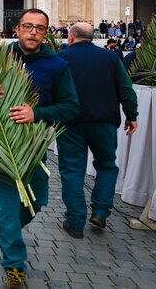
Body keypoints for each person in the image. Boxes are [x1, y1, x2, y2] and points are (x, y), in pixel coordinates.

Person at [0, 9, 80, 289]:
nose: (32, 32)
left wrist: (37, 114)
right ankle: (14, 264)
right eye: (27, 26)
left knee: (36, 200)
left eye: (39, 28)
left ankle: (9, 232)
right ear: (16, 29)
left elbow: (71, 107)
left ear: (47, 33)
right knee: (6, 208)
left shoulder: (57, 65)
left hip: (33, 145)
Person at [57, 23, 138, 238]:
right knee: (106, 166)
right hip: (103, 121)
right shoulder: (110, 58)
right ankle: (100, 212)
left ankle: (75, 222)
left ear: (71, 37)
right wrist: (132, 115)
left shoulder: (61, 58)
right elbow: (125, 89)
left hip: (70, 121)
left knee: (72, 170)